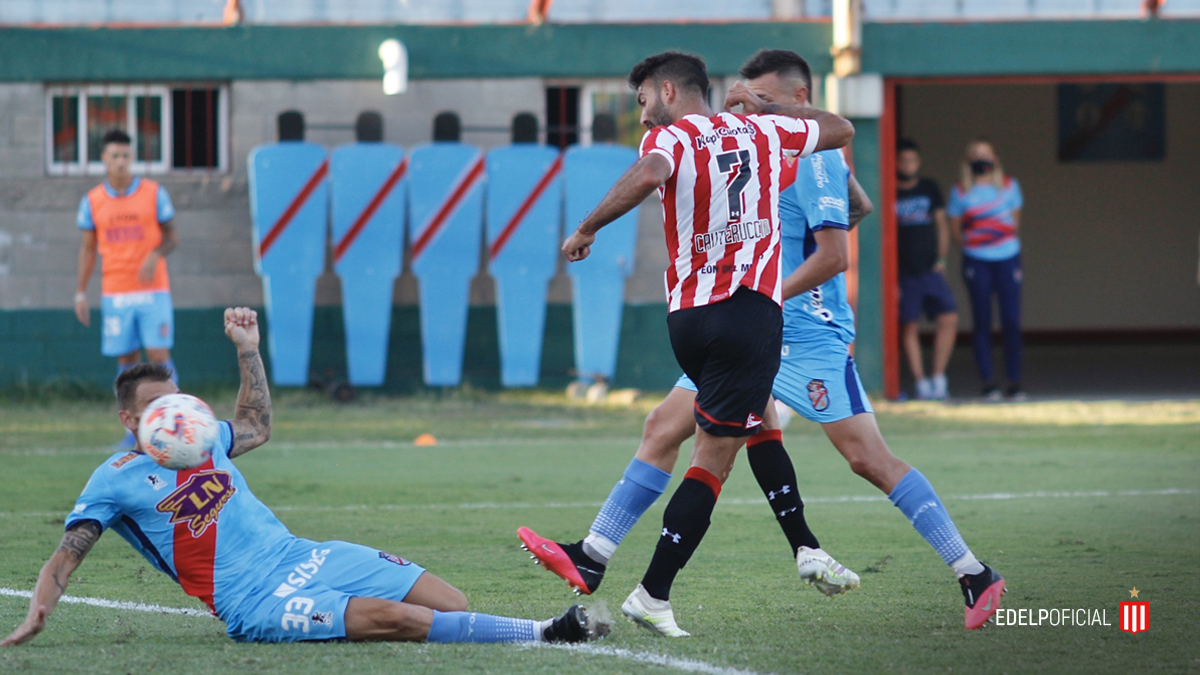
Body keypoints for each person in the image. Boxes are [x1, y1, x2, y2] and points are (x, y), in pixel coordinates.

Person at [530, 49, 1005, 636]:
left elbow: (835, 252)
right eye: (737, 94)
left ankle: (972, 571)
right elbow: (861, 206)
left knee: (866, 458)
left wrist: (764, 290)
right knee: (667, 428)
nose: (741, 102)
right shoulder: (753, 141)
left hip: (802, 331)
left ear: (792, 99)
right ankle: (598, 555)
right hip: (748, 322)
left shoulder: (805, 147)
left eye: (755, 95)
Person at [2, 308, 604, 647]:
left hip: (305, 556)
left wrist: (248, 349)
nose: (177, 420)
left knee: (450, 602)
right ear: (130, 419)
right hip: (253, 600)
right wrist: (39, 610)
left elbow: (257, 426)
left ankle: (389, 610)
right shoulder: (115, 478)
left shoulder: (204, 436)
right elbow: (68, 552)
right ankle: (548, 633)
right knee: (396, 621)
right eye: (161, 413)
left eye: (180, 405)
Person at [557, 50, 855, 637]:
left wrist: (588, 226)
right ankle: (653, 593)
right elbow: (841, 129)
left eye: (643, 103)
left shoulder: (676, 139)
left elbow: (651, 174)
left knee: (755, 420)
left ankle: (804, 546)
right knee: (713, 460)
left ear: (669, 91)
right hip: (746, 313)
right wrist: (768, 105)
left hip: (688, 319)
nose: (643, 119)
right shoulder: (767, 129)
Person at [75, 129, 181, 448]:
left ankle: (175, 422)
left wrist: (155, 252)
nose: (121, 162)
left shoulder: (153, 192)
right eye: (115, 156)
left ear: (132, 158)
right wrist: (80, 291)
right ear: (104, 159)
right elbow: (87, 249)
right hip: (116, 292)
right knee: (128, 361)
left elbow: (173, 237)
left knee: (159, 356)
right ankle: (134, 431)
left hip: (153, 290)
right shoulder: (93, 200)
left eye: (126, 156)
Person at [946, 139, 1025, 401]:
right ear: (968, 162)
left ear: (996, 159)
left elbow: (1014, 225)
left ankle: (1014, 383)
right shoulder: (960, 192)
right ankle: (988, 384)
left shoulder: (1010, 187)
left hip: (1008, 259)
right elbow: (956, 232)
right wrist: (977, 246)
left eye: (987, 155)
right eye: (977, 156)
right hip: (976, 261)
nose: (983, 160)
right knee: (982, 322)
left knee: (1011, 321)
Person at [895, 139, 958, 400]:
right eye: (903, 160)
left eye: (912, 160)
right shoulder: (889, 189)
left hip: (931, 270)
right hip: (904, 273)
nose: (908, 165)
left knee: (948, 317)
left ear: (918, 162)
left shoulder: (929, 188)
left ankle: (938, 378)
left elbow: (942, 225)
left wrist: (942, 259)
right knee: (909, 325)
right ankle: (921, 382)